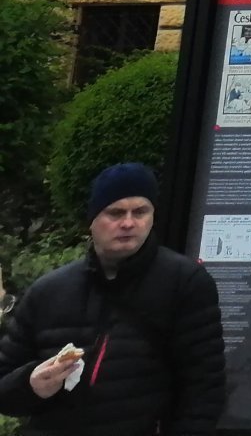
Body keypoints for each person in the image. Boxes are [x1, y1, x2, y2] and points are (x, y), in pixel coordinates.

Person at [0, 163, 227, 435]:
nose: (129, 223)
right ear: (92, 220)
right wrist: (31, 385)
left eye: (141, 211)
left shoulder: (184, 282)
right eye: (116, 212)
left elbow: (203, 390)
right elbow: (4, 388)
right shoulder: (49, 291)